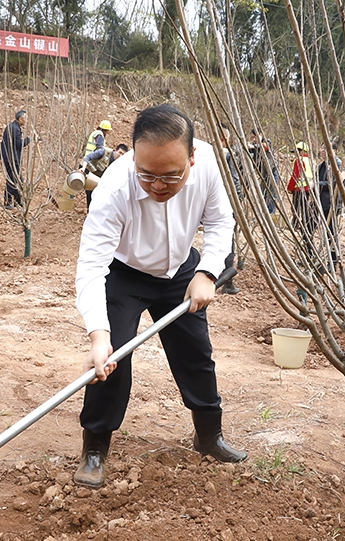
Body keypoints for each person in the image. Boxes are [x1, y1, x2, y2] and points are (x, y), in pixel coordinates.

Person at [74, 104, 246, 488]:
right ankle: (95, 446)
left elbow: (220, 222)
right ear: (134, 156)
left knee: (196, 353)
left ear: (192, 157)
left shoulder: (209, 167)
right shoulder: (116, 186)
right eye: (147, 174)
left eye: (170, 176)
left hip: (181, 269)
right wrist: (98, 336)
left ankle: (209, 436)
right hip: (125, 273)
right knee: (113, 359)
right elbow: (91, 265)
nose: (156, 186)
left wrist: (207, 272)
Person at [317, 142, 345, 269]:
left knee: (331, 233)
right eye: (321, 148)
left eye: (326, 148)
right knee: (318, 229)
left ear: (334, 151)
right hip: (321, 202)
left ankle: (333, 262)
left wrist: (318, 183)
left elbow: (336, 183)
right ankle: (313, 255)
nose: (322, 151)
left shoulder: (337, 164)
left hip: (331, 203)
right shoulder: (322, 165)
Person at [219, 125, 242, 295]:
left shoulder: (207, 153)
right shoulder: (227, 155)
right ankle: (227, 282)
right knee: (228, 240)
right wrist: (237, 202)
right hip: (226, 203)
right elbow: (234, 181)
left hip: (212, 202)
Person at [287, 142, 317, 258]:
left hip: (299, 188)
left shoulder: (299, 161)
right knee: (305, 206)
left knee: (295, 207)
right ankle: (304, 222)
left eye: (297, 151)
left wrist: (290, 187)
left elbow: (295, 175)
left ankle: (295, 223)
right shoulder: (310, 161)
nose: (296, 154)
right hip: (308, 188)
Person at [0, 110, 30, 209]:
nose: (26, 120)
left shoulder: (13, 126)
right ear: (20, 119)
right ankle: (7, 202)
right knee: (12, 179)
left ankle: (18, 201)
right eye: (25, 118)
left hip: (10, 156)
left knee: (18, 179)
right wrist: (29, 139)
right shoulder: (15, 129)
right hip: (11, 158)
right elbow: (19, 144)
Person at [82, 120, 113, 209]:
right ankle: (92, 208)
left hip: (87, 162)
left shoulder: (94, 133)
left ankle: (90, 208)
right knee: (92, 187)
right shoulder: (99, 135)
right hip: (91, 162)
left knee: (89, 188)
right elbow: (100, 148)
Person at [248, 129, 280, 214]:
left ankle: (271, 213)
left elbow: (265, 146)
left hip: (272, 172)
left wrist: (254, 146)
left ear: (261, 134)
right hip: (263, 174)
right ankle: (265, 212)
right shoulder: (254, 146)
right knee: (264, 193)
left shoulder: (266, 142)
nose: (254, 139)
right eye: (252, 138)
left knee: (271, 195)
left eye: (255, 137)